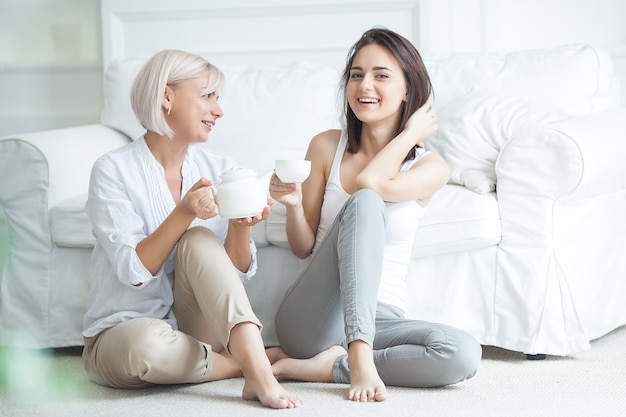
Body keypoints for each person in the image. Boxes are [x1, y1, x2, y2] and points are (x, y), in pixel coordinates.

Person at [269, 28, 482, 402]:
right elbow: (303, 248)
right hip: (313, 319)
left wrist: (409, 133)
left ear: (408, 90)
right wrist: (294, 207)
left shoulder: (431, 168)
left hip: (381, 317)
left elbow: (370, 182)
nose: (364, 85)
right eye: (356, 74)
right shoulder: (325, 146)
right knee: (365, 203)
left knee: (462, 352)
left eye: (381, 75)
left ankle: (332, 367)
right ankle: (359, 357)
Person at [81, 49, 302, 409]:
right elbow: (133, 271)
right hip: (125, 334)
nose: (218, 110)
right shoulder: (112, 169)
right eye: (207, 96)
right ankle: (241, 364)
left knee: (199, 239)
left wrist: (240, 226)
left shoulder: (222, 168)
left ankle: (258, 372)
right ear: (166, 96)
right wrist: (184, 211)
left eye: (218, 98)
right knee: (145, 347)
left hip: (198, 330)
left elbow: (233, 276)